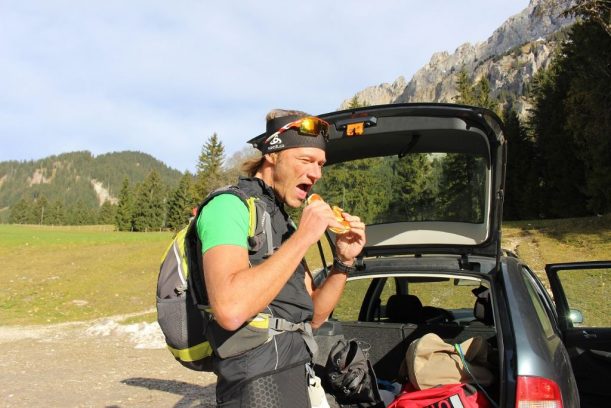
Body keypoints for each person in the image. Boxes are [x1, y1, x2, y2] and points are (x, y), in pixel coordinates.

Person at [197, 109, 366, 407]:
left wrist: (343, 262)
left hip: (295, 371)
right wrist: (303, 238)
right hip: (254, 385)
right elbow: (230, 309)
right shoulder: (228, 206)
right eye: (306, 161)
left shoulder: (282, 223)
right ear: (272, 155)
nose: (317, 174)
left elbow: (313, 317)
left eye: (321, 164)